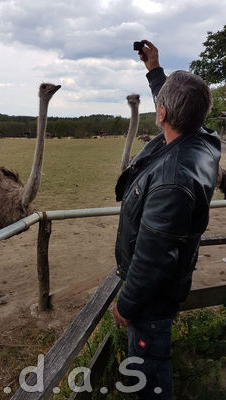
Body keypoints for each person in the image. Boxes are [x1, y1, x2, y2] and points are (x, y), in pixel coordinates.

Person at [113, 40, 221, 399]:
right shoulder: (203, 138)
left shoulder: (173, 181)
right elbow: (178, 106)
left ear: (161, 115)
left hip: (150, 303)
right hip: (163, 292)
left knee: (150, 382)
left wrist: (127, 304)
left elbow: (152, 257)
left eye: (160, 106)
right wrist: (154, 70)